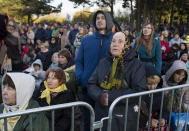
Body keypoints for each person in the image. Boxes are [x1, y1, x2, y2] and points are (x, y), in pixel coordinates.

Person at [88, 32, 146, 131]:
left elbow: (139, 91)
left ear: (126, 45)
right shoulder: (103, 62)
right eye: (113, 41)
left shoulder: (136, 65)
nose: (115, 44)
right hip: (103, 115)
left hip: (124, 116)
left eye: (120, 42)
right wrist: (99, 96)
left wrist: (110, 97)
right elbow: (91, 84)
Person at [76, 10, 113, 131]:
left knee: (105, 122)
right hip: (87, 87)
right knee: (88, 121)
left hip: (108, 89)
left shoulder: (115, 40)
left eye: (103, 18)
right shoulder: (86, 40)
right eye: (97, 18)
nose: (100, 20)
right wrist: (80, 77)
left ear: (108, 20)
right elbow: (79, 61)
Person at [140, 66, 168, 130]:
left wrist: (163, 118)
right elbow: (136, 113)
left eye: (155, 84)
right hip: (143, 123)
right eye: (149, 84)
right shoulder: (139, 93)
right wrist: (147, 121)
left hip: (155, 120)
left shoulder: (159, 92)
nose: (152, 87)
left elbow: (164, 108)